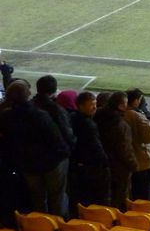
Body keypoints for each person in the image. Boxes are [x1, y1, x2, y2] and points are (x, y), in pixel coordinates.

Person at [0, 80, 71, 217]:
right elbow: (57, 140)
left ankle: (41, 226)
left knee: (38, 198)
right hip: (50, 164)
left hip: (27, 164)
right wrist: (64, 155)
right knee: (56, 198)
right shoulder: (39, 115)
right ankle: (58, 230)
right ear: (27, 94)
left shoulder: (6, 115)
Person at [95, 91, 138, 210]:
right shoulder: (120, 125)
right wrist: (133, 165)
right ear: (119, 105)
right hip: (118, 167)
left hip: (101, 163)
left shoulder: (97, 116)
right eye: (125, 103)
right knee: (119, 199)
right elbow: (125, 150)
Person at [70, 91, 110, 207]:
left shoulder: (72, 117)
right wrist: (105, 163)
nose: (94, 107)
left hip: (78, 165)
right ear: (81, 106)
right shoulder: (88, 124)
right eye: (91, 104)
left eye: (95, 104)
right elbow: (96, 147)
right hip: (91, 167)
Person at [125, 89, 150, 201]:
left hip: (127, 160)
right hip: (141, 160)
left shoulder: (120, 113)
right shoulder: (136, 116)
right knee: (142, 194)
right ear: (135, 101)